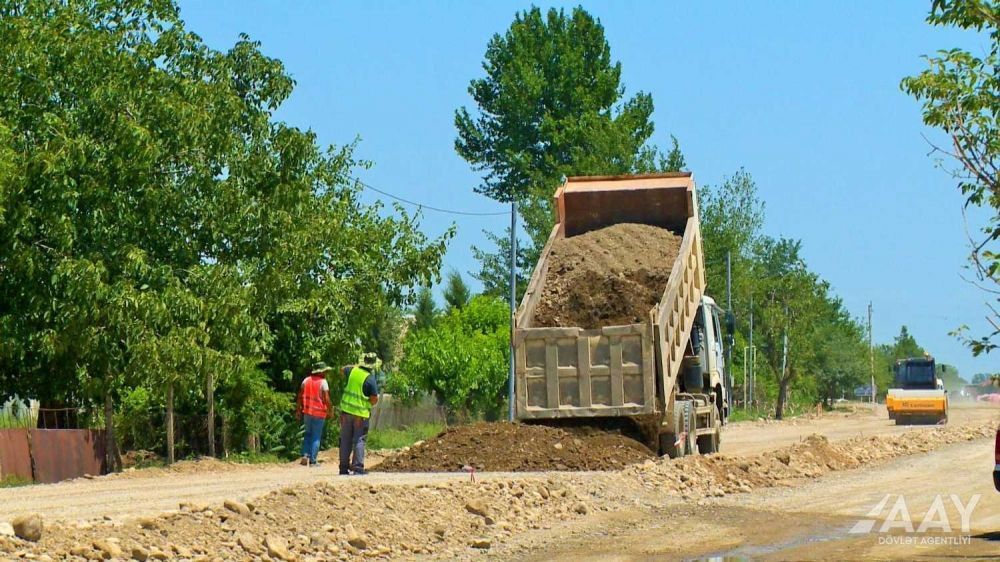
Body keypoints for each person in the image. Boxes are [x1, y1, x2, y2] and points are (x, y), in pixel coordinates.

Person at [339, 352, 379, 475]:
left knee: (345, 439)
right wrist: (367, 404)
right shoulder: (370, 379)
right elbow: (374, 399)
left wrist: (356, 365)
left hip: (346, 412)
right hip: (360, 415)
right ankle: (358, 468)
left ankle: (343, 468)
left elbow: (342, 369)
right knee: (359, 440)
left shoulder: (352, 371)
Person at [297, 362, 332, 466]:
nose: (326, 373)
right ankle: (313, 461)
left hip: (307, 412)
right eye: (324, 371)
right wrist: (330, 409)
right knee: (316, 437)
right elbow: (326, 398)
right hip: (319, 413)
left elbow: (300, 396)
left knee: (308, 434)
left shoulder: (306, 380)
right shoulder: (323, 382)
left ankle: (304, 455)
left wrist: (298, 410)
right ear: (320, 372)